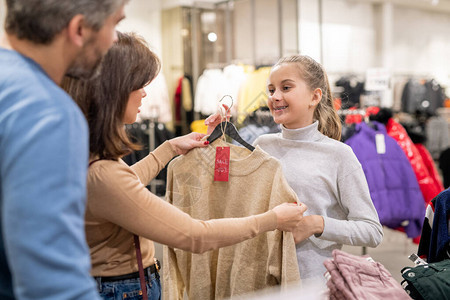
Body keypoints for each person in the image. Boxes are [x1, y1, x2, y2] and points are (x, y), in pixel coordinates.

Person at [61, 32, 307, 300]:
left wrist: (168, 149)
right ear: (112, 91)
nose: (145, 92)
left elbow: (122, 185)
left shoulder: (88, 154)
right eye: (138, 84)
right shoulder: (104, 173)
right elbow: (193, 236)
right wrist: (272, 219)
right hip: (122, 289)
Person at [0, 1, 127, 299]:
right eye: (115, 24)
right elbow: (53, 284)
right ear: (79, 29)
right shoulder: (47, 112)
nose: (116, 39)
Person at [253, 55, 384, 286]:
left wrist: (316, 224)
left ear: (315, 96)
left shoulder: (338, 155)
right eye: (271, 89)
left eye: (286, 87)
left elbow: (371, 231)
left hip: (312, 284)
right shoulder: (262, 145)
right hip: (260, 279)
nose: (275, 97)